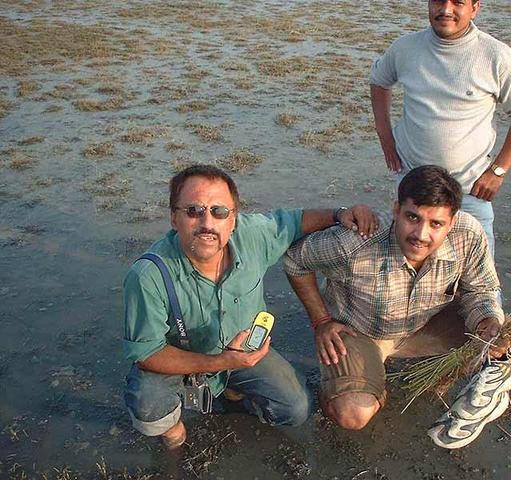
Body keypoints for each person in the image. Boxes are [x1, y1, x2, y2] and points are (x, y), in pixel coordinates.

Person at [123, 164, 378, 448]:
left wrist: (339, 213)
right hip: (181, 360)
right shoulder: (148, 275)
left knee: (295, 409)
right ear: (174, 218)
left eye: (219, 212)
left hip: (245, 354)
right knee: (148, 403)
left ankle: (232, 389)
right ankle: (173, 433)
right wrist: (219, 362)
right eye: (193, 211)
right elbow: (147, 353)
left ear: (233, 220)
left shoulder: (252, 235)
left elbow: (295, 221)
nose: (207, 223)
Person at [284, 165, 511, 448]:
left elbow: (480, 289)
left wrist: (487, 322)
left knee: (503, 339)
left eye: (436, 224)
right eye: (412, 217)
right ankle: (354, 383)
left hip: (427, 325)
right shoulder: (356, 241)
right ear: (396, 210)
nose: (421, 234)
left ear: (452, 221)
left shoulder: (468, 234)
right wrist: (321, 321)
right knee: (353, 414)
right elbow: (295, 260)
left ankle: (489, 388)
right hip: (360, 333)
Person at [370, 0, 511, 254]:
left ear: (475, 7)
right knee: (403, 269)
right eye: (438, 1)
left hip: (470, 190)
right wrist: (386, 137)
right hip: (410, 187)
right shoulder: (405, 48)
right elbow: (379, 81)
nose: (446, 10)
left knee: (480, 282)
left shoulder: (496, 55)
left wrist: (498, 170)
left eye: (458, 2)